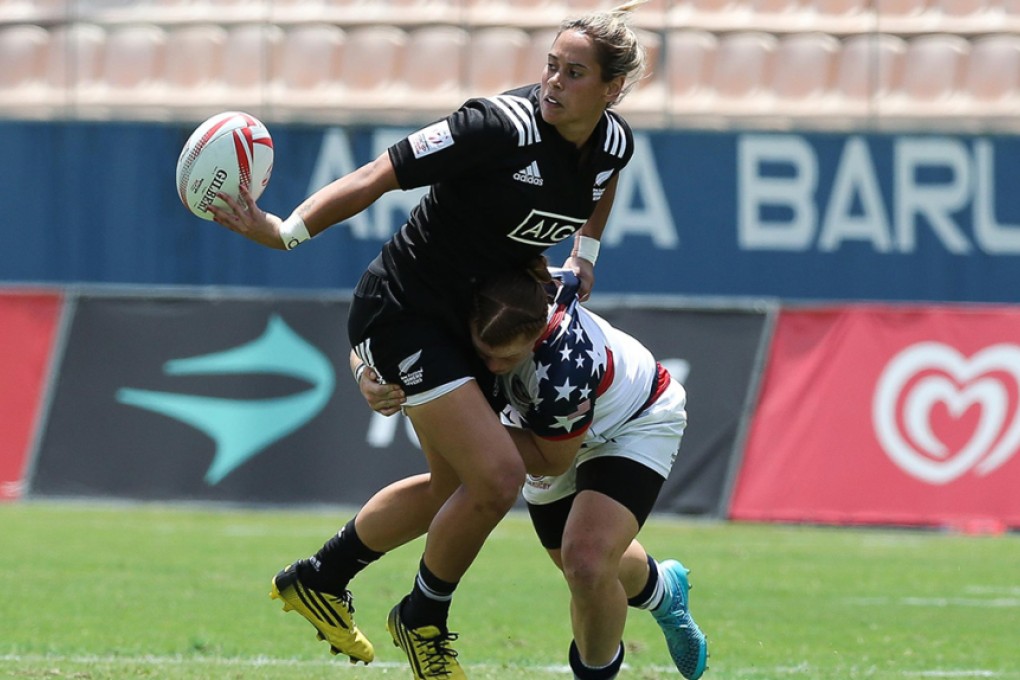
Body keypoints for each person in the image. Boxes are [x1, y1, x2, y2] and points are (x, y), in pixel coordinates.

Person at [208, 3, 649, 679]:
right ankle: (423, 617)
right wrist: (284, 231)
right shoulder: (497, 126)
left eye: (575, 72)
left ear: (612, 88)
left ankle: (319, 578)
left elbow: (603, 178)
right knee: (499, 476)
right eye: (551, 65)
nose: (554, 82)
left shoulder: (613, 142)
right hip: (404, 312)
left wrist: (585, 251)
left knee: (457, 489)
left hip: (466, 324)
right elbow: (378, 174)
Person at [357, 261, 709, 680]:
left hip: (632, 420)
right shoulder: (469, 301)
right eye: (482, 352)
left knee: (588, 562)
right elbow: (375, 325)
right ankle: (662, 592)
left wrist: (460, 424)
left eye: (504, 359)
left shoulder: (564, 365)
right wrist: (364, 372)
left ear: (534, 339)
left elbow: (551, 458)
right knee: (578, 561)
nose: (489, 367)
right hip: (538, 423)